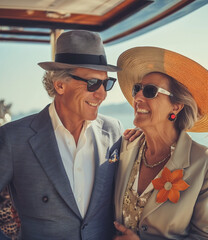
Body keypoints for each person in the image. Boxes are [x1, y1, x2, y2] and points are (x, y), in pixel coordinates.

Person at [0, 30, 139, 240]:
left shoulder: (115, 131)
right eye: (92, 83)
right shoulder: (13, 138)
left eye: (106, 83)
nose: (102, 94)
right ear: (60, 85)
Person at [112, 47, 208, 240]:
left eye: (150, 91)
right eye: (137, 89)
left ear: (176, 107)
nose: (137, 97)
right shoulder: (125, 147)